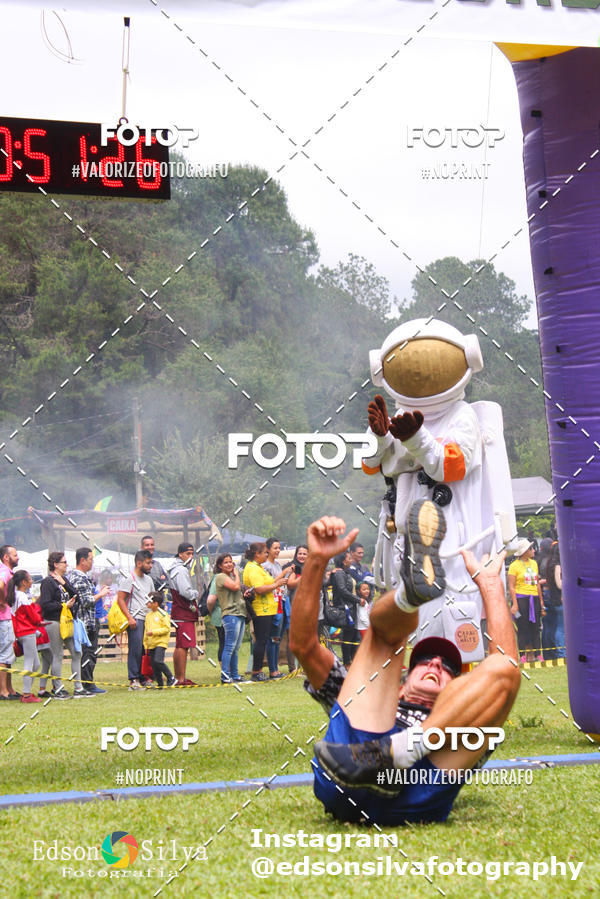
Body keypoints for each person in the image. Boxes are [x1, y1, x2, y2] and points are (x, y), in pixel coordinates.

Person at [289, 504, 521, 826]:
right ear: (402, 684)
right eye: (425, 661)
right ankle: (410, 595)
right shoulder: (376, 696)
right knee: (384, 639)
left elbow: (504, 666)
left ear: (456, 689)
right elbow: (303, 646)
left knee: (505, 670)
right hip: (351, 768)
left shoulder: (468, 714)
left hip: (422, 782)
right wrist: (316, 561)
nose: (436, 663)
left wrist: (491, 586)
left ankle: (398, 752)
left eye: (448, 669)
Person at [39, 552, 86, 699]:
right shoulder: (47, 582)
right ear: (55, 564)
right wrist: (64, 605)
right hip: (54, 622)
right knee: (57, 655)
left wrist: (65, 583)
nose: (67, 565)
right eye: (64, 562)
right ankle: (57, 688)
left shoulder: (63, 579)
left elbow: (76, 595)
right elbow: (45, 605)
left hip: (68, 622)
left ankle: (78, 686)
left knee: (77, 652)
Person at [242, 543, 289, 681]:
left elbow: (268, 583)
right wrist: (276, 585)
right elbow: (259, 589)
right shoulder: (253, 569)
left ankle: (261, 671)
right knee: (261, 641)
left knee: (264, 640)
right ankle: (256, 671)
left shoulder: (258, 567)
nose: (266, 555)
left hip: (268, 609)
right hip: (261, 610)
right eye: (265, 553)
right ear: (257, 554)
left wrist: (279, 580)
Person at [67, 548, 110, 695]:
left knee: (89, 653)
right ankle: (87, 684)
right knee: (88, 653)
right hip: (85, 622)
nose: (92, 562)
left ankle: (87, 682)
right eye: (91, 559)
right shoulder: (77, 577)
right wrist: (100, 594)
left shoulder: (81, 577)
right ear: (82, 560)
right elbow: (85, 601)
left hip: (89, 621)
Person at [7, 570, 52, 703]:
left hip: (23, 631)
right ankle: (26, 695)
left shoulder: (15, 595)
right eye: (30, 579)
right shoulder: (23, 597)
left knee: (35, 664)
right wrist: (39, 621)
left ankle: (27, 692)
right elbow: (31, 614)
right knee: (29, 662)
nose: (32, 581)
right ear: (24, 582)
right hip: (26, 632)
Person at [116, 549, 154, 691]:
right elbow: (120, 599)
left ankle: (144, 677)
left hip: (148, 618)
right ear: (139, 563)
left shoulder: (149, 580)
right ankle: (134, 679)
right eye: (148, 563)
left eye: (151, 563)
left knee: (145, 650)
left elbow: (151, 598)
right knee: (135, 649)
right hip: (135, 618)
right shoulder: (129, 579)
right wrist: (129, 617)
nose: (150, 566)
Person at [168, 542, 201, 686]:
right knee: (183, 645)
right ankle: (180, 679)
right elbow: (185, 592)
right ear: (180, 554)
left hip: (180, 611)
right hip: (183, 611)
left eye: (192, 553)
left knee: (180, 645)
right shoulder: (180, 570)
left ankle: (179, 677)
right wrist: (196, 593)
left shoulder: (177, 568)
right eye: (188, 553)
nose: (190, 556)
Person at [507, 539, 545, 664]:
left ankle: (538, 655)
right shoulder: (514, 566)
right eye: (531, 549)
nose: (533, 550)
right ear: (524, 552)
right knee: (523, 628)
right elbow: (511, 586)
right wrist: (515, 604)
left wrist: (541, 602)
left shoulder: (534, 563)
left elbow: (537, 584)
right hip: (520, 600)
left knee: (536, 627)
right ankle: (523, 655)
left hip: (534, 599)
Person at [212, 553, 246, 683]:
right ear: (220, 565)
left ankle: (235, 675)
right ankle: (225, 676)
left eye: (230, 562)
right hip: (230, 615)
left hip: (240, 613)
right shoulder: (220, 577)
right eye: (225, 562)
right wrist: (237, 574)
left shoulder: (231, 577)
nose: (229, 564)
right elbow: (236, 587)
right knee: (229, 646)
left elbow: (237, 591)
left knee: (236, 648)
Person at [329, 550, 360, 666]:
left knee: (352, 636)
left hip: (352, 607)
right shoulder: (339, 573)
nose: (351, 560)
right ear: (343, 561)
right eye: (349, 558)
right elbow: (342, 591)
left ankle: (352, 660)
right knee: (347, 636)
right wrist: (358, 599)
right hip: (346, 608)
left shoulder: (346, 572)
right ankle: (347, 662)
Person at [281, 544, 308, 672]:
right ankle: (292, 668)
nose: (302, 556)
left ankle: (302, 667)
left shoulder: (310, 568)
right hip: (291, 606)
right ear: (296, 554)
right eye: (300, 553)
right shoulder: (290, 567)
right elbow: (290, 585)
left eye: (305, 554)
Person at [0, 544, 20, 700]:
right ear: (6, 557)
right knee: (4, 656)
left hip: (7, 617)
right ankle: (3, 691)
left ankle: (9, 688)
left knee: (8, 656)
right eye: (14, 555)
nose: (17, 557)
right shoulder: (4, 572)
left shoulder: (8, 572)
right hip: (3, 618)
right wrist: (1, 601)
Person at [143, 592, 175, 688]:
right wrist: (145, 644)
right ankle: (160, 684)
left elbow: (166, 629)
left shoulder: (163, 614)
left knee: (158, 661)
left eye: (149, 602)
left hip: (161, 642)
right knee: (154, 665)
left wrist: (153, 632)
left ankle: (170, 677)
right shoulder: (148, 616)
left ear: (155, 603)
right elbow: (146, 630)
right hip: (151, 643)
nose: (146, 603)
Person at [263, 537, 285, 679]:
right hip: (271, 605)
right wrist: (283, 575)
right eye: (275, 548)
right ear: (268, 549)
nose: (277, 551)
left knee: (278, 637)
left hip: (281, 603)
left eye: (279, 548)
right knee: (272, 637)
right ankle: (272, 669)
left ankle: (276, 668)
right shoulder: (265, 566)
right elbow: (269, 584)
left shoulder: (277, 565)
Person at [545, 542, 565, 660]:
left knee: (553, 626)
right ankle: (561, 653)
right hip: (559, 598)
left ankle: (553, 652)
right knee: (561, 628)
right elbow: (560, 584)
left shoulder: (550, 563)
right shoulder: (557, 565)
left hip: (554, 598)